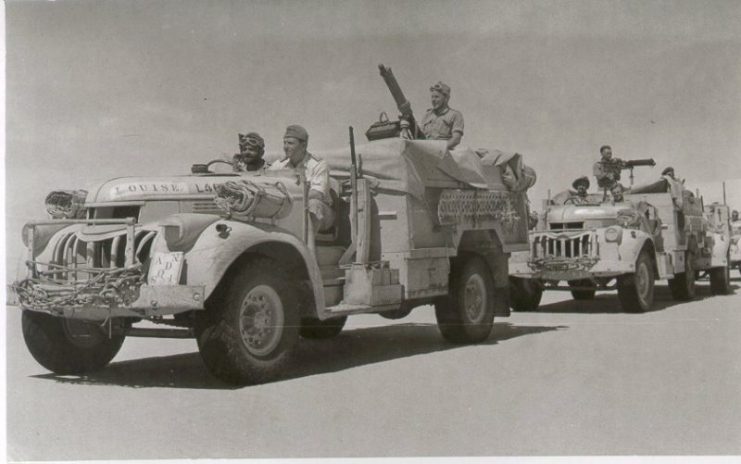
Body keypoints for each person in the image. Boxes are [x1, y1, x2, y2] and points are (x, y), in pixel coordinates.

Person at [269, 125, 334, 232]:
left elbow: (317, 194)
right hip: (290, 207)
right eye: (284, 143)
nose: (285, 147)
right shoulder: (279, 165)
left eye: (290, 143)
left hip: (321, 213)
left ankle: (308, 246)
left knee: (314, 204)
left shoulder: (318, 164)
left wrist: (288, 198)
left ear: (303, 145)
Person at [420, 81, 464, 150]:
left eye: (437, 97)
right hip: (425, 151)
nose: (433, 100)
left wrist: (439, 149)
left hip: (444, 153)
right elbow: (419, 136)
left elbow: (456, 139)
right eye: (432, 97)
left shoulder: (455, 115)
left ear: (446, 99)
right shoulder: (427, 115)